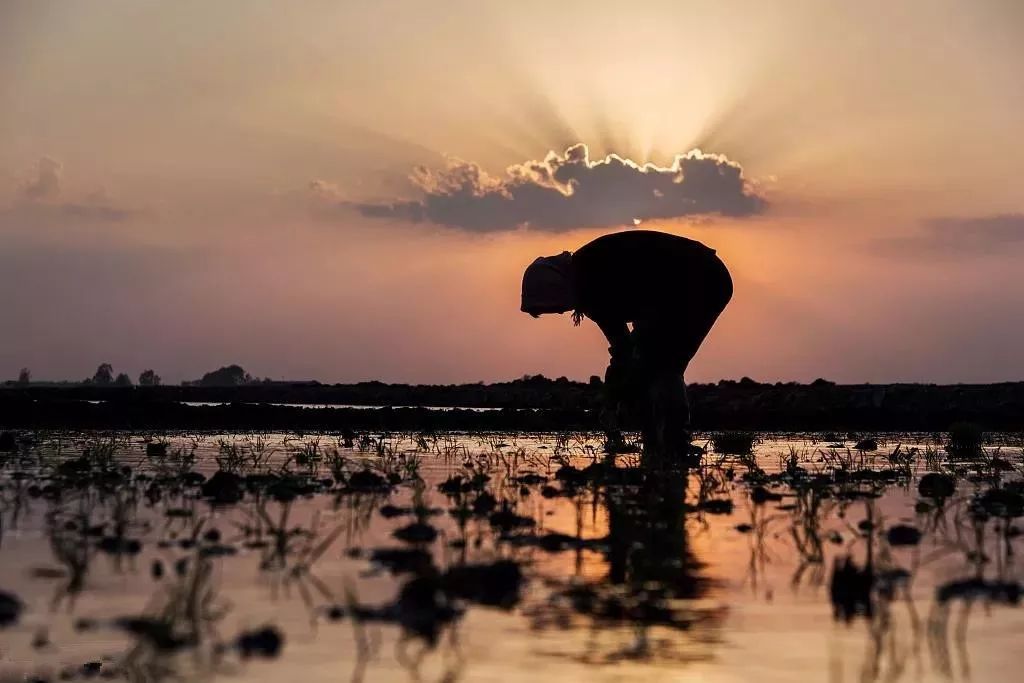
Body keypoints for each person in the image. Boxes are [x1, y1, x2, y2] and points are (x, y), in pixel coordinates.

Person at [520, 230, 732, 462]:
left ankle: (673, 444)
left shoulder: (592, 279)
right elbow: (624, 351)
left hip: (699, 281)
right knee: (654, 362)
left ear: (555, 286)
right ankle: (659, 445)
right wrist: (614, 397)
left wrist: (612, 399)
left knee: (664, 364)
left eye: (555, 306)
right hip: (673, 291)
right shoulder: (585, 277)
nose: (561, 311)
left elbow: (624, 350)